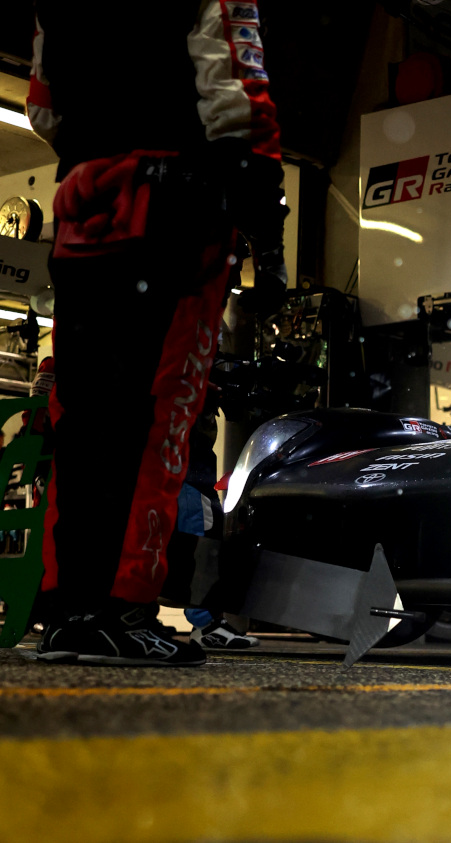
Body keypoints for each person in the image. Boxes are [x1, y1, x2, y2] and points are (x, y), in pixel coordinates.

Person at [28, 0, 287, 666]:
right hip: (177, 205)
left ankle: (68, 610)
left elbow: (45, 110)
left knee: (82, 416)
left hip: (85, 198)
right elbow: (235, 82)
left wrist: (102, 132)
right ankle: (123, 609)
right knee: (159, 416)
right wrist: (260, 188)